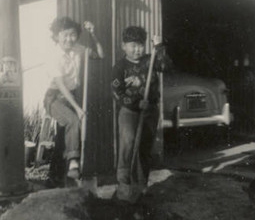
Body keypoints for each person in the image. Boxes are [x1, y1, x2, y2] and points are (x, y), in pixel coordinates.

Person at [111, 26, 171, 203]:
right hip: (129, 111)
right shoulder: (120, 67)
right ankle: (123, 184)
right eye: (133, 45)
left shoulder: (150, 60)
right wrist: (136, 102)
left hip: (150, 110)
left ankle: (141, 185)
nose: (137, 49)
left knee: (145, 147)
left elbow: (166, 66)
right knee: (128, 142)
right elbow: (117, 93)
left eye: (140, 45)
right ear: (124, 46)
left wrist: (159, 48)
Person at [43, 16, 104, 186]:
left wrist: (93, 34)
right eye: (65, 35)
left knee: (64, 139)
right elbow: (61, 86)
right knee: (73, 120)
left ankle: (54, 179)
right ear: (57, 36)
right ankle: (74, 163)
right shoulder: (53, 56)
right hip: (54, 97)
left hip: (72, 95)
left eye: (73, 35)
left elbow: (100, 54)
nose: (69, 39)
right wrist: (77, 108)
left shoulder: (79, 49)